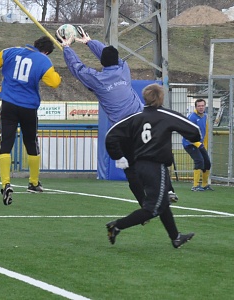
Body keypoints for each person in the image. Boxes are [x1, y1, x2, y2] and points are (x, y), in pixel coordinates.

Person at [56, 26, 178, 205]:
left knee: (131, 170)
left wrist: (67, 48)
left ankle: (145, 205)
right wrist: (90, 42)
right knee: (155, 156)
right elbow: (110, 57)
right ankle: (168, 190)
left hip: (122, 130)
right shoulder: (124, 69)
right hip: (141, 122)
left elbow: (77, 68)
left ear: (102, 62)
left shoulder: (98, 80)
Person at [105, 83, 201, 248]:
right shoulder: (165, 115)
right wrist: (193, 137)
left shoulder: (135, 117)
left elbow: (110, 136)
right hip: (156, 166)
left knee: (162, 203)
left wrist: (118, 156)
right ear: (161, 97)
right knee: (152, 209)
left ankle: (176, 237)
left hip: (139, 166)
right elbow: (194, 130)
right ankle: (117, 226)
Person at [0, 36, 61, 205]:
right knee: (31, 142)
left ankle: (5, 183)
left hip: (9, 104)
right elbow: (54, 83)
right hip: (28, 107)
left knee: (6, 143)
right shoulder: (44, 60)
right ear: (47, 51)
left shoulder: (10, 51)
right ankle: (33, 182)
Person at [182, 99, 213, 191]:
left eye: (202, 105)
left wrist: (204, 144)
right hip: (189, 144)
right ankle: (195, 186)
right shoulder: (192, 117)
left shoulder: (205, 116)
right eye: (199, 106)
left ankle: (204, 185)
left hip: (200, 144)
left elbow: (205, 132)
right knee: (199, 161)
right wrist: (197, 143)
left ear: (205, 106)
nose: (201, 107)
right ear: (196, 107)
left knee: (207, 163)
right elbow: (186, 133)